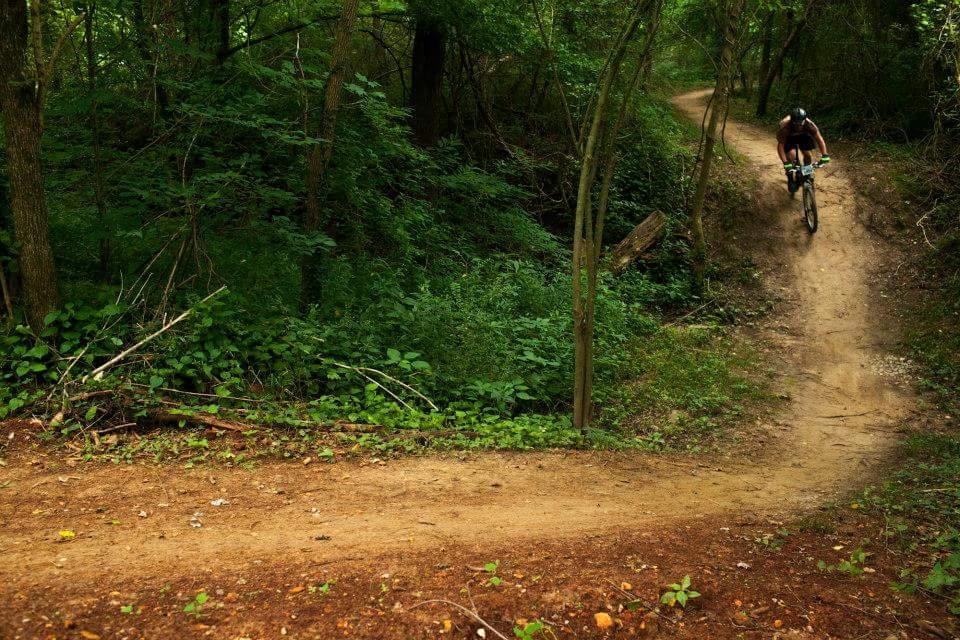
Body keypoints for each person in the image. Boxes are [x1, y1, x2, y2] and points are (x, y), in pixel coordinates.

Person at [777, 108, 830, 189]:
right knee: (791, 156)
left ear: (804, 121)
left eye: (800, 124)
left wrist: (825, 155)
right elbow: (780, 146)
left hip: (803, 136)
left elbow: (819, 139)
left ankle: (806, 173)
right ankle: (790, 178)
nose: (798, 126)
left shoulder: (809, 125)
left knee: (808, 155)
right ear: (792, 122)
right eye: (796, 124)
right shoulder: (785, 127)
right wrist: (785, 163)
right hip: (789, 138)